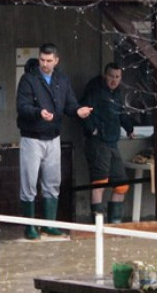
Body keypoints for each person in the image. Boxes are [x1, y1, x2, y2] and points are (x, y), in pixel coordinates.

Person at [16, 43, 92, 240]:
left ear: (56, 61)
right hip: (32, 137)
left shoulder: (62, 80)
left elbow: (70, 104)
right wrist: (38, 112)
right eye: (42, 60)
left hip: (53, 137)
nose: (44, 64)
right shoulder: (28, 79)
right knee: (29, 183)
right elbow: (22, 106)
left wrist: (78, 111)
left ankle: (49, 225)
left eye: (49, 61)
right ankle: (30, 227)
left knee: (52, 182)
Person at [81, 63, 135, 223]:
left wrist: (129, 128)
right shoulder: (94, 90)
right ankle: (98, 223)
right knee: (99, 182)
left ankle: (115, 222)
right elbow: (83, 110)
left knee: (122, 185)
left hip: (113, 142)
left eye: (117, 77)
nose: (114, 80)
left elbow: (121, 114)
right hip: (97, 143)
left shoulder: (117, 93)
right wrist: (91, 130)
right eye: (111, 76)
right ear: (105, 75)